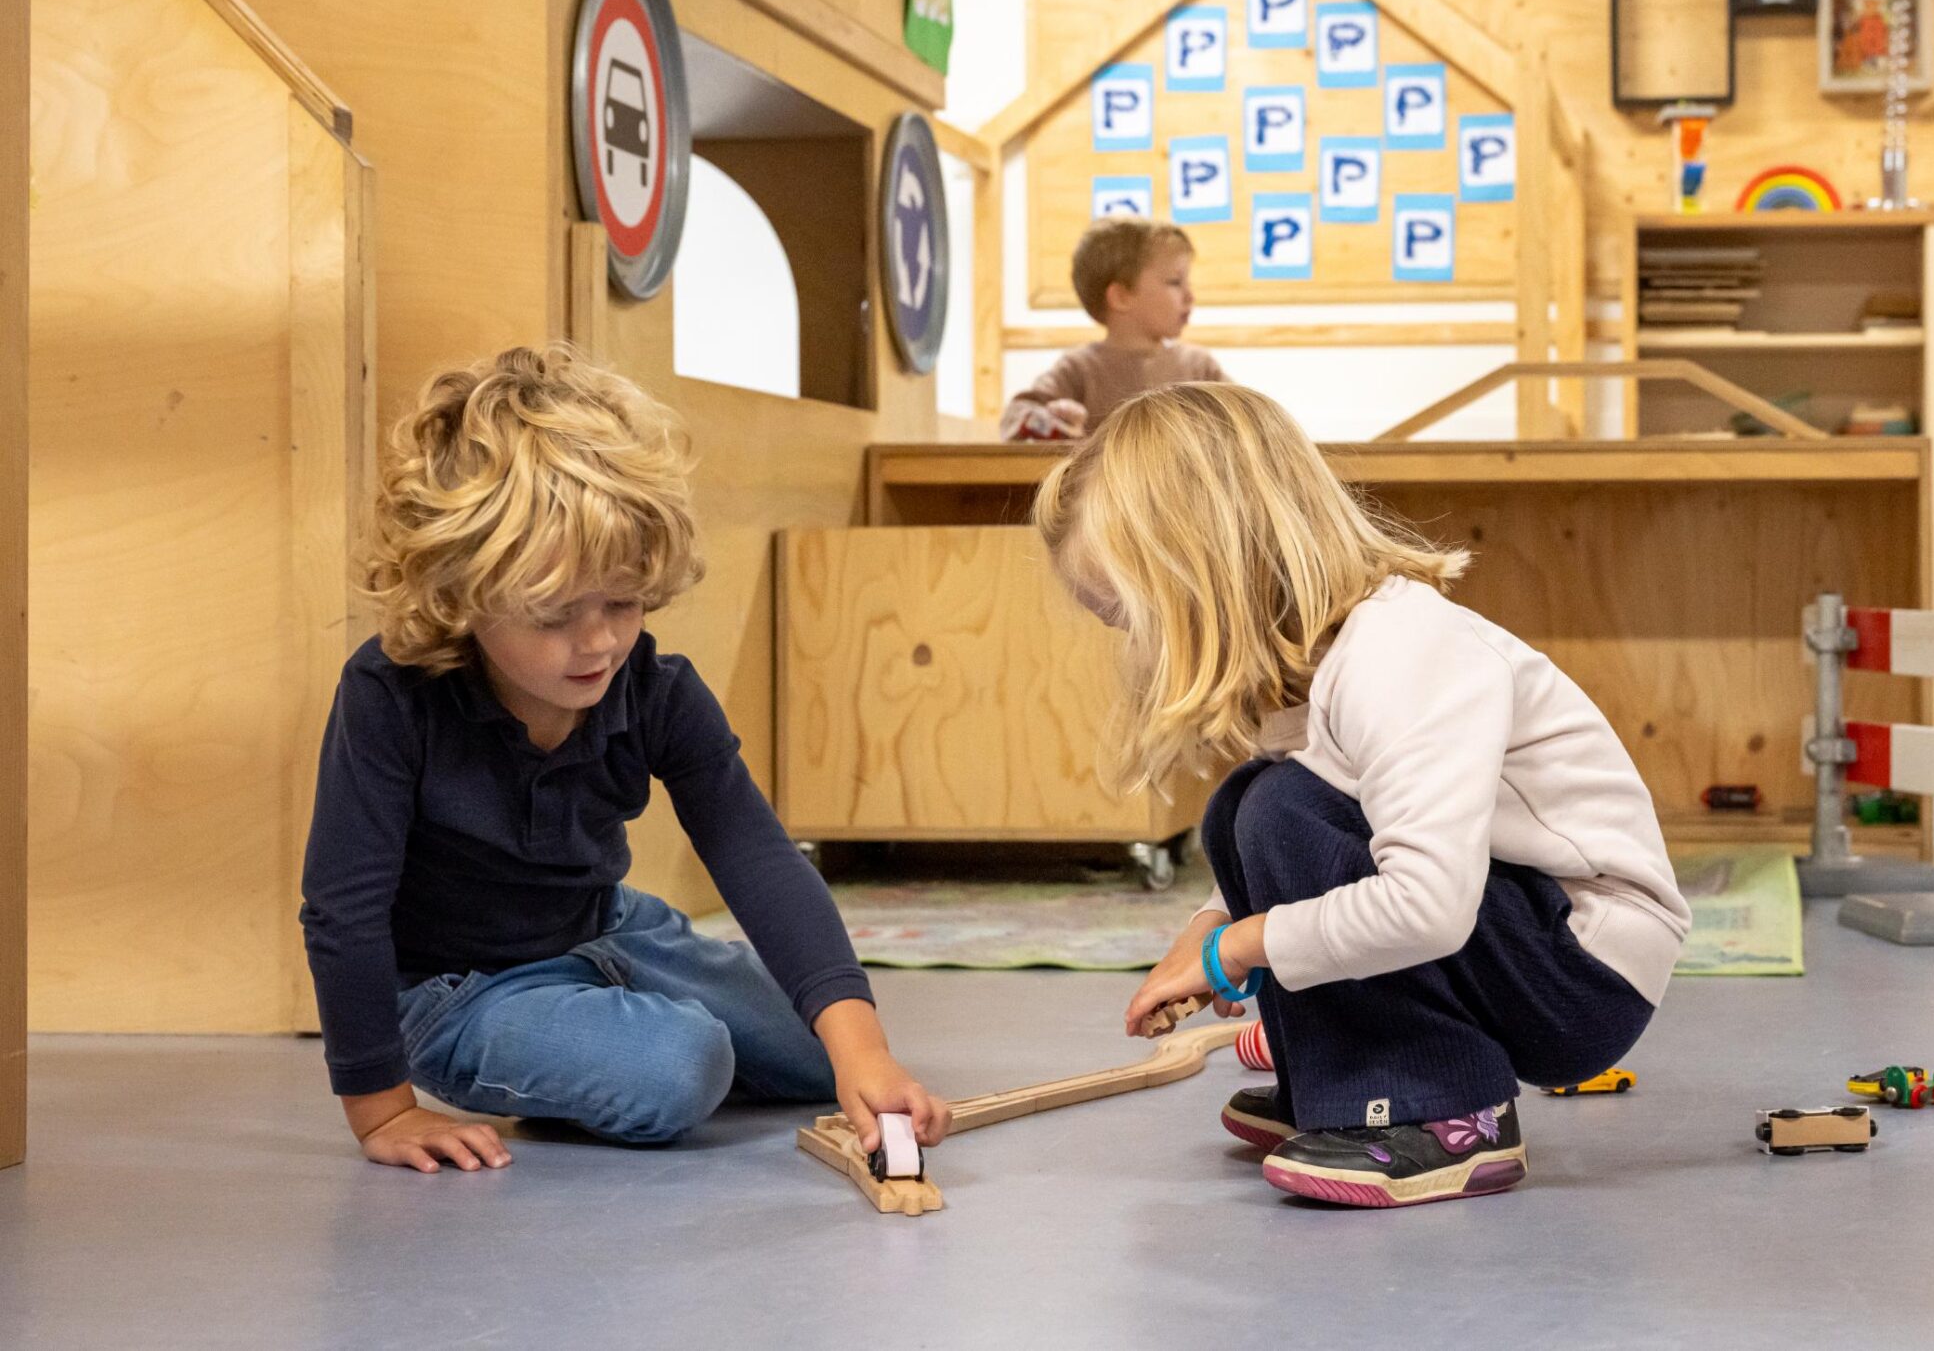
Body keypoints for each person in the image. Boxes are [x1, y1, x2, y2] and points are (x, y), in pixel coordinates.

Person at [1033, 384, 1690, 1208]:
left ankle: (1449, 1112)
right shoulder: (1319, 664)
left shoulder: (1401, 657)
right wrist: (1208, 927)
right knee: (1246, 808)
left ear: (1207, 569)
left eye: (1132, 613)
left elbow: (1427, 906)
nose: (1133, 641)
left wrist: (1236, 950)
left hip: (1583, 974)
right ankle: (1348, 1086)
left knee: (1277, 811)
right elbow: (1324, 837)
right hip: (1523, 936)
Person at [299, 346, 949, 1173]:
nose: (600, 640)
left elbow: (755, 856)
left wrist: (862, 1049)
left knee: (824, 1033)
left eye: (623, 601)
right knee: (681, 1069)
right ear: (461, 593)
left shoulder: (657, 691)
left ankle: (607, 1008)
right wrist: (380, 1109)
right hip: (456, 990)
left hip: (608, 931)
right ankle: (589, 1035)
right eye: (555, 614)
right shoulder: (389, 696)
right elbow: (341, 910)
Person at [1000, 218, 1224, 441]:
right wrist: (1057, 423)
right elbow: (1017, 416)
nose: (1190, 296)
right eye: (1175, 282)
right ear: (1121, 296)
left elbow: (1247, 421)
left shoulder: (1200, 367)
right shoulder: (1078, 369)